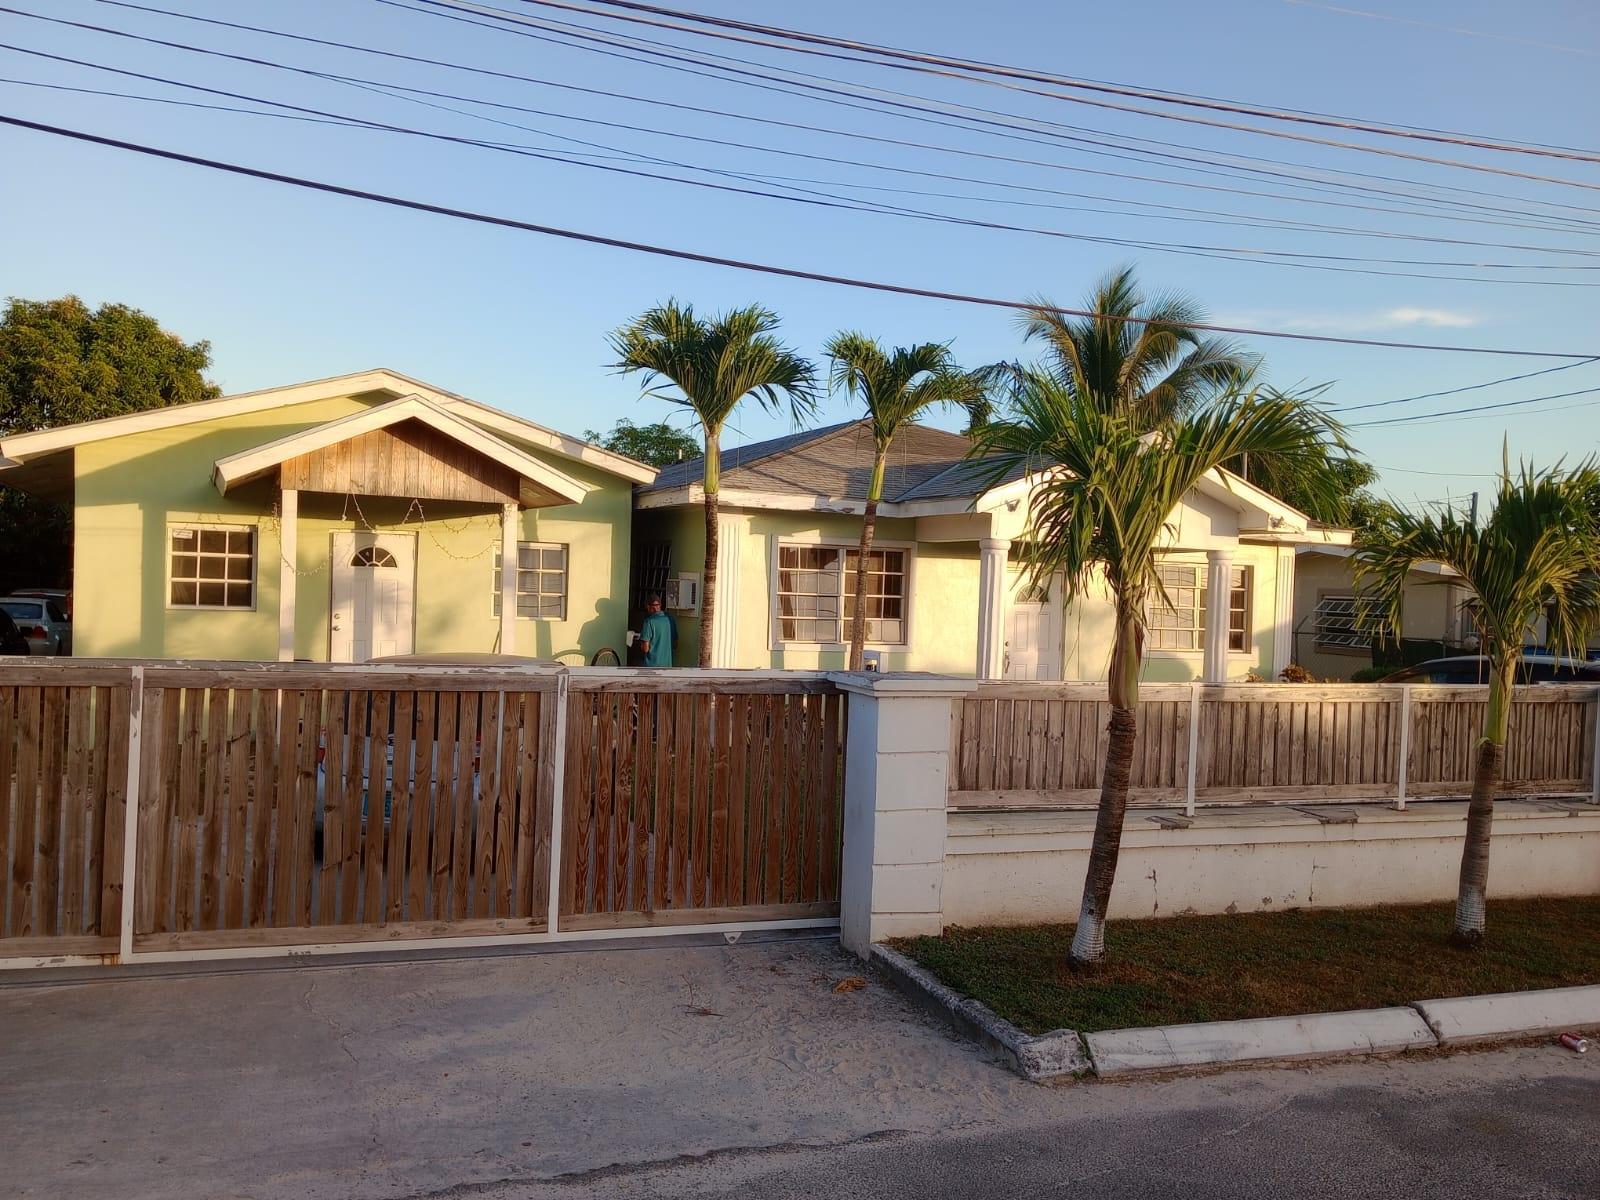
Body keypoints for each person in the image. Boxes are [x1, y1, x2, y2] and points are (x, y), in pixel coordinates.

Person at [638, 592, 675, 667]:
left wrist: (641, 644)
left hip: (651, 667)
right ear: (660, 605)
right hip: (667, 666)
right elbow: (675, 644)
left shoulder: (649, 621)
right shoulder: (670, 619)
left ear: (648, 607)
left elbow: (645, 648)